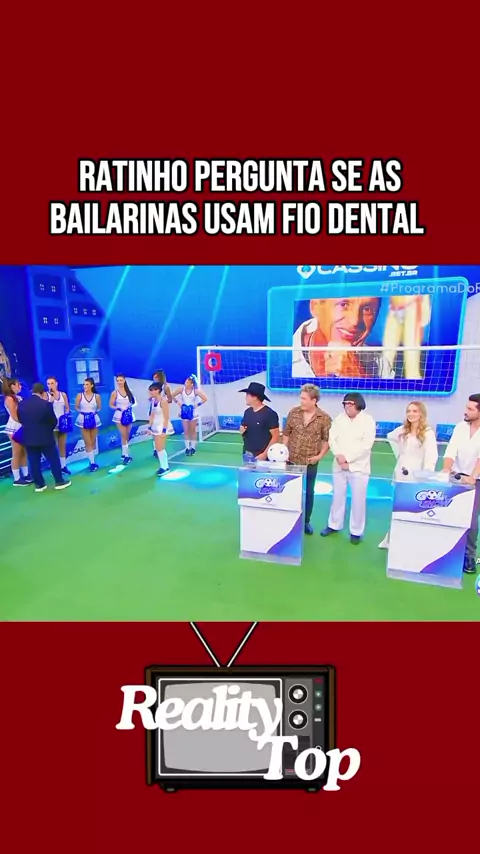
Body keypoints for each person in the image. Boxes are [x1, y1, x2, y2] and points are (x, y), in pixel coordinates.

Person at [378, 401, 438, 549]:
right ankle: (392, 539)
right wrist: (399, 454)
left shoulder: (428, 433)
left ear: (421, 414)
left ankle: (409, 540)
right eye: (409, 411)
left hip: (417, 476)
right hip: (400, 473)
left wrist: (426, 476)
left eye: (415, 411)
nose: (411, 414)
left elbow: (431, 456)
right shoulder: (403, 430)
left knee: (413, 509)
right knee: (397, 508)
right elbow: (390, 436)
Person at [321, 392, 376, 544]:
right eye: (345, 403)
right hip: (338, 465)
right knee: (337, 496)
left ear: (358, 404)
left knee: (358, 500)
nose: (347, 406)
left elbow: (366, 445)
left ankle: (356, 531)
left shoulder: (368, 421)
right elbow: (332, 439)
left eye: (350, 403)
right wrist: (338, 456)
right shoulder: (339, 419)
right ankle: (334, 524)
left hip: (359, 467)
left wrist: (348, 459)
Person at [282, 384, 331, 534]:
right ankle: (288, 519)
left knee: (309, 492)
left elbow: (327, 440)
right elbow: (286, 434)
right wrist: (283, 452)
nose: (301, 401)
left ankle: (306, 521)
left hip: (310, 462)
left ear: (314, 400)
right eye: (301, 398)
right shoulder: (293, 413)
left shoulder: (324, 418)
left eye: (304, 399)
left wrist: (319, 456)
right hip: (291, 460)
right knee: (289, 490)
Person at [292, 296, 382, 379]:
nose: (355, 321)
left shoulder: (382, 366)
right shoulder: (287, 357)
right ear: (315, 306)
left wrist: (357, 376)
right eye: (343, 305)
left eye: (367, 309)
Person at [441, 393, 480, 573]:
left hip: (476, 479)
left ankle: (469, 556)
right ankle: (447, 551)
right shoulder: (460, 427)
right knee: (448, 512)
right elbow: (451, 451)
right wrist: (446, 469)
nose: (465, 411)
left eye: (470, 409)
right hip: (457, 476)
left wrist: (472, 477)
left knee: (471, 520)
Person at [17, 383, 71, 493]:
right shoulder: (46, 405)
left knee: (33, 461)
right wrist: (47, 430)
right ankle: (59, 481)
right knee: (53, 459)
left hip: (29, 438)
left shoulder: (22, 404)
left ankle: (39, 485)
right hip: (46, 437)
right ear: (42, 393)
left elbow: (20, 419)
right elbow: (53, 421)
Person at [381, 295, 431, 379]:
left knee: (411, 349)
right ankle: (383, 378)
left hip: (412, 307)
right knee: (388, 350)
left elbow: (425, 292)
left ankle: (413, 379)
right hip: (394, 308)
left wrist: (425, 311)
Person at [239, 382, 279, 460]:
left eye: (247, 395)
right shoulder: (247, 412)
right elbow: (243, 431)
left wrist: (265, 454)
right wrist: (242, 431)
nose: (245, 397)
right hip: (247, 454)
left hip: (262, 456)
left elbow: (275, 436)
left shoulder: (270, 414)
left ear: (255, 397)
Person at [2, 377, 31, 485]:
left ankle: (26, 474)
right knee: (17, 452)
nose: (20, 386)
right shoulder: (9, 399)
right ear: (12, 386)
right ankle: (17, 478)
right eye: (18, 384)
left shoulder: (18, 397)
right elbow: (14, 416)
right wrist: (25, 422)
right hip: (14, 427)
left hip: (21, 426)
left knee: (23, 452)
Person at [171, 374, 207, 456]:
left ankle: (193, 447)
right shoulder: (181, 389)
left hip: (193, 413)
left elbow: (205, 398)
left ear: (192, 384)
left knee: (192, 430)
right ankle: (187, 448)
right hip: (184, 412)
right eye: (185, 382)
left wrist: (196, 405)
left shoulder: (195, 391)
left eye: (188, 382)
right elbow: (172, 395)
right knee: (186, 430)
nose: (186, 383)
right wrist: (178, 403)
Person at [75, 378, 102, 472]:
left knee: (93, 441)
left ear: (92, 385)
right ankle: (92, 462)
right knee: (87, 442)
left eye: (87, 384)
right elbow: (76, 407)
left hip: (94, 419)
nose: (85, 386)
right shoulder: (80, 395)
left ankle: (92, 460)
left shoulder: (97, 396)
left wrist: (93, 413)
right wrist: (83, 413)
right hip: (83, 419)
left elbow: (99, 407)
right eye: (84, 384)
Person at [46, 376, 72, 476]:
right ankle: (55, 468)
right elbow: (45, 409)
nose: (50, 385)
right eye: (48, 384)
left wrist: (65, 416)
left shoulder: (63, 395)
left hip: (62, 424)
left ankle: (63, 466)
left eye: (52, 383)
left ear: (56, 384)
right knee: (54, 447)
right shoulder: (46, 396)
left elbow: (67, 408)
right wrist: (51, 401)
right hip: (51, 425)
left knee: (62, 445)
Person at [109, 374, 136, 465]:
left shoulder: (130, 391)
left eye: (121, 380)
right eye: (118, 380)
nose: (119, 382)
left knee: (127, 435)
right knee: (123, 434)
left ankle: (124, 453)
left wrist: (129, 407)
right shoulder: (115, 393)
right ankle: (126, 455)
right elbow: (111, 404)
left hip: (129, 415)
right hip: (119, 416)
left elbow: (134, 402)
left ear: (124, 380)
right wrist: (118, 408)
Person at [148, 382, 171, 476]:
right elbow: (152, 415)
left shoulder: (163, 401)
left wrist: (164, 430)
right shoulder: (153, 401)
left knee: (160, 448)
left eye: (153, 390)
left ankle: (165, 467)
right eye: (150, 390)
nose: (151, 392)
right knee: (158, 448)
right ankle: (163, 467)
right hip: (155, 426)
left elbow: (166, 417)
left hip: (162, 427)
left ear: (158, 390)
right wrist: (149, 427)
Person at [151, 369, 174, 457]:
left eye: (156, 377)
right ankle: (155, 449)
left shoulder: (166, 387)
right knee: (153, 430)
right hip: (154, 408)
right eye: (153, 377)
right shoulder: (152, 387)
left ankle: (160, 450)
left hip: (162, 410)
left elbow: (170, 400)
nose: (154, 379)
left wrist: (163, 401)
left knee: (161, 433)